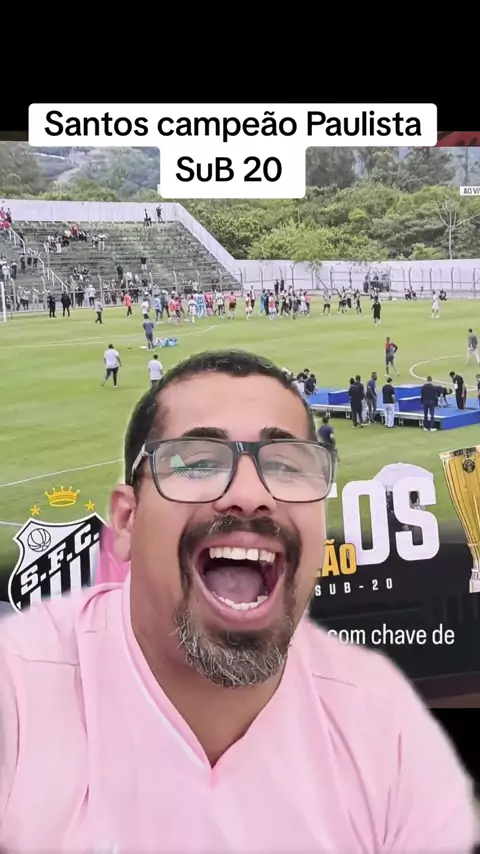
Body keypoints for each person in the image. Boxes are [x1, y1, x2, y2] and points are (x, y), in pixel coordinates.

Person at [0, 349, 476, 851]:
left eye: (287, 466)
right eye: (200, 462)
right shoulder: (20, 698)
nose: (250, 495)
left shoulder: (387, 735)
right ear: (126, 521)